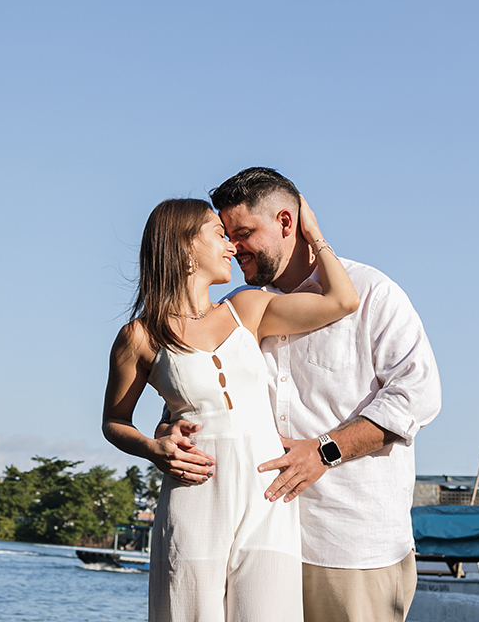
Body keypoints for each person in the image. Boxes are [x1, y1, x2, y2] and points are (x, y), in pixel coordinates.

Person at [160, 167, 442, 622]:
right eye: (226, 235)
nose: (233, 246)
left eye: (244, 233)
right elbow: (190, 400)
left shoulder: (373, 292)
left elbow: (417, 396)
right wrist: (169, 435)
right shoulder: (235, 310)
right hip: (256, 540)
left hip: (346, 545)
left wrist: (324, 451)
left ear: (287, 222)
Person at [102, 195, 359, 622]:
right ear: (185, 246)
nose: (232, 246)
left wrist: (313, 232)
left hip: (267, 496)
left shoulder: (247, 308)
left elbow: (342, 301)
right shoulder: (140, 336)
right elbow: (114, 421)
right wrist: (152, 448)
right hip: (195, 494)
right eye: (220, 235)